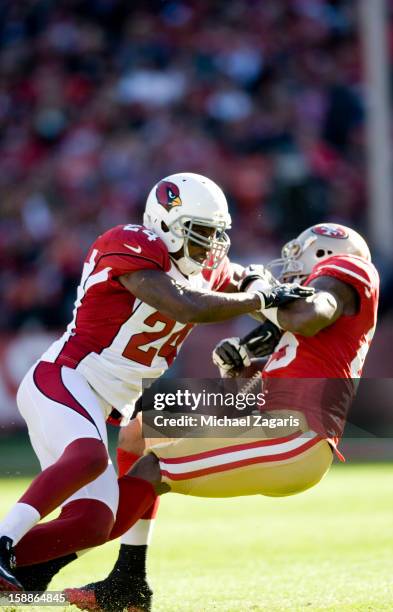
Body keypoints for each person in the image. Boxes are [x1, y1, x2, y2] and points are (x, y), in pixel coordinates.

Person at [0, 173, 310, 596]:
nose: (210, 247)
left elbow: (240, 277)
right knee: (89, 456)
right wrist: (262, 298)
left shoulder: (205, 268)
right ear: (166, 224)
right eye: (200, 234)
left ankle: (13, 564)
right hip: (64, 376)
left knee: (94, 523)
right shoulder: (130, 243)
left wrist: (257, 284)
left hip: (99, 400)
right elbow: (187, 304)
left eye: (216, 235)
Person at [64, 223, 379, 612]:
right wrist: (242, 368)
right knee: (139, 433)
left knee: (152, 468)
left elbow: (306, 316)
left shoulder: (350, 271)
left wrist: (262, 299)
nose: (291, 261)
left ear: (326, 255)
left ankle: (41, 558)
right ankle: (128, 580)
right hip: (274, 424)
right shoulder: (315, 317)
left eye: (302, 251)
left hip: (296, 435)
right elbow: (258, 392)